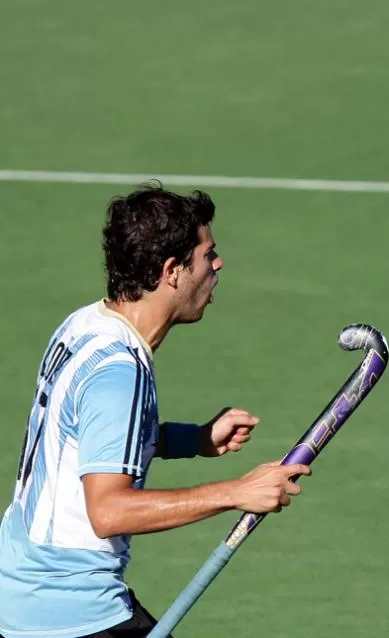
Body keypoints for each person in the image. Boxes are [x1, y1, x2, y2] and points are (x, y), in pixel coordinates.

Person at [0, 183, 312, 638]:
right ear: (172, 271)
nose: (218, 264)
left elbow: (90, 438)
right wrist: (236, 492)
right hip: (66, 611)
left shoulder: (86, 324)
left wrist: (195, 440)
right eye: (208, 255)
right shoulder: (119, 372)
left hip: (25, 587)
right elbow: (109, 511)